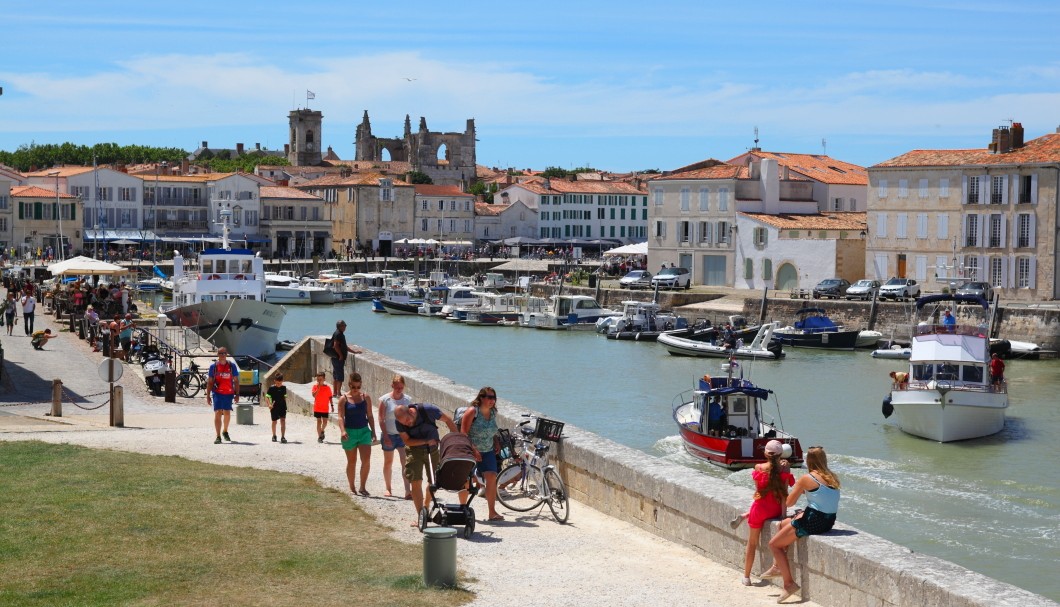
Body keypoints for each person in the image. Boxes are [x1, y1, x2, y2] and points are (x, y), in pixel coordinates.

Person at [763, 446, 841, 603]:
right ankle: (778, 566)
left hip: (813, 521)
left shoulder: (807, 478)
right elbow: (824, 502)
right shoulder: (833, 477)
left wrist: (790, 481)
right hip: (827, 521)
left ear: (808, 461)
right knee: (783, 524)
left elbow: (790, 502)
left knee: (774, 545)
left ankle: (789, 584)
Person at [731, 440, 795, 586]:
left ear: (765, 453)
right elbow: (784, 495)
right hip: (775, 509)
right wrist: (783, 516)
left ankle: (746, 577)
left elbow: (759, 493)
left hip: (759, 510)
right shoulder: (785, 469)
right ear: (781, 455)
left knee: (752, 543)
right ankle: (745, 515)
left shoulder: (758, 467)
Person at [394, 403, 458, 525]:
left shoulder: (428, 410)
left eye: (407, 420)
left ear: (412, 412)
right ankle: (421, 517)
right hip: (414, 450)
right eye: (403, 423)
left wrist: (456, 439)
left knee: (433, 482)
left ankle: (426, 504)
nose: (406, 423)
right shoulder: (399, 423)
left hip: (433, 450)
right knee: (415, 481)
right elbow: (407, 440)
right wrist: (426, 441)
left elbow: (448, 420)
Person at [460, 386, 504, 522]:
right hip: (470, 451)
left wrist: (496, 441)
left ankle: (492, 512)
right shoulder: (472, 412)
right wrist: (474, 449)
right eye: (489, 397)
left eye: (494, 398)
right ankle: (462, 508)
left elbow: (493, 430)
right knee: (466, 481)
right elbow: (463, 434)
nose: (492, 401)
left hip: (488, 450)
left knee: (491, 477)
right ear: (481, 398)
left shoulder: (493, 412)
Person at [338, 372, 376, 496]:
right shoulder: (343, 399)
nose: (356, 390)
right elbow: (340, 417)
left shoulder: (366, 397)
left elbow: (370, 415)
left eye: (358, 387)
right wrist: (343, 430)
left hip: (364, 431)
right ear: (349, 385)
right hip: (349, 433)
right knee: (352, 461)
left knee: (366, 460)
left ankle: (362, 487)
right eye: (353, 387)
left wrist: (374, 432)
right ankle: (352, 487)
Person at [378, 374, 414, 499]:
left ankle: (407, 491)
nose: (399, 389)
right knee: (388, 462)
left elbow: (412, 418)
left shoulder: (407, 400)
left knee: (405, 462)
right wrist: (386, 435)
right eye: (397, 387)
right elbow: (381, 419)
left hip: (403, 436)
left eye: (401, 387)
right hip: (389, 434)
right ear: (392, 386)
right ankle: (388, 488)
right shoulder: (385, 400)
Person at [206, 347, 240, 444]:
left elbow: (236, 381)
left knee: (227, 413)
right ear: (218, 354)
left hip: (229, 392)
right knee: (217, 412)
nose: (222, 355)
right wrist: (208, 395)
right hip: (217, 392)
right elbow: (210, 382)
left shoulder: (231, 366)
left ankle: (225, 431)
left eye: (224, 353)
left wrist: (237, 394)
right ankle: (218, 436)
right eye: (220, 353)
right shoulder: (214, 367)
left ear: (227, 354)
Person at [330, 320, 363, 397]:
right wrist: (341, 355)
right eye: (344, 325)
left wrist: (353, 352)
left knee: (335, 376)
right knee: (340, 377)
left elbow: (344, 346)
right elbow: (336, 346)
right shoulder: (338, 334)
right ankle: (338, 393)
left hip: (335, 358)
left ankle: (335, 392)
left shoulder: (337, 333)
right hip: (338, 359)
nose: (345, 327)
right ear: (340, 326)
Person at [265, 373, 288, 443]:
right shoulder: (271, 388)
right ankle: (274, 435)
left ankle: (283, 437)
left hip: (282, 407)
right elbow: (267, 397)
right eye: (277, 383)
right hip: (274, 407)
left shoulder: (284, 388)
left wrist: (285, 406)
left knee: (283, 421)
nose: (279, 384)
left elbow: (285, 397)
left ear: (282, 381)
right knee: (274, 421)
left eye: (280, 383)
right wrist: (269, 404)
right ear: (274, 381)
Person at [311, 371, 333, 443]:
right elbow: (314, 395)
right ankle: (319, 436)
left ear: (324, 379)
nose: (319, 380)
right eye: (318, 379)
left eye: (321, 379)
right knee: (318, 422)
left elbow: (330, 397)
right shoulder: (315, 387)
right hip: (317, 407)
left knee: (325, 422)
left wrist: (332, 405)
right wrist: (318, 388)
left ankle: (322, 430)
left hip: (325, 408)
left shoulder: (328, 388)